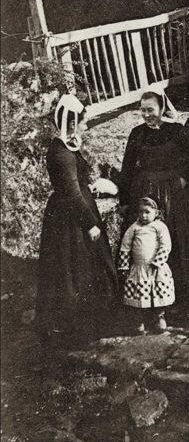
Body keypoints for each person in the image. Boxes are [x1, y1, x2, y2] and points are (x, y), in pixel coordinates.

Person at [36, 94, 118, 347]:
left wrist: (90, 187)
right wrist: (90, 224)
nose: (85, 126)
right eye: (83, 122)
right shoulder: (61, 154)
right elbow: (70, 193)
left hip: (76, 209)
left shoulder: (67, 147)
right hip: (70, 220)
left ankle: (89, 322)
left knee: (82, 269)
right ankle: (74, 329)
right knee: (73, 270)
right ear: (72, 123)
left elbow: (75, 185)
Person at [118, 85, 189, 296]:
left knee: (172, 237)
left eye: (150, 109)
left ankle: (175, 292)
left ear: (161, 108)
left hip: (172, 194)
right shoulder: (137, 134)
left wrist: (183, 179)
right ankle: (145, 292)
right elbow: (126, 168)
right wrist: (125, 200)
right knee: (145, 241)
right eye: (143, 110)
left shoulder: (177, 131)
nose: (146, 115)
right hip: (145, 193)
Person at [118, 196, 175, 333]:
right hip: (139, 269)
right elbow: (125, 247)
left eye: (147, 212)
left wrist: (158, 262)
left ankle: (159, 318)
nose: (143, 216)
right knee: (139, 295)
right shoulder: (134, 228)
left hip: (156, 268)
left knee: (157, 293)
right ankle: (139, 321)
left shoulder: (160, 227)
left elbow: (166, 245)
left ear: (156, 212)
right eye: (141, 212)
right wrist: (124, 265)